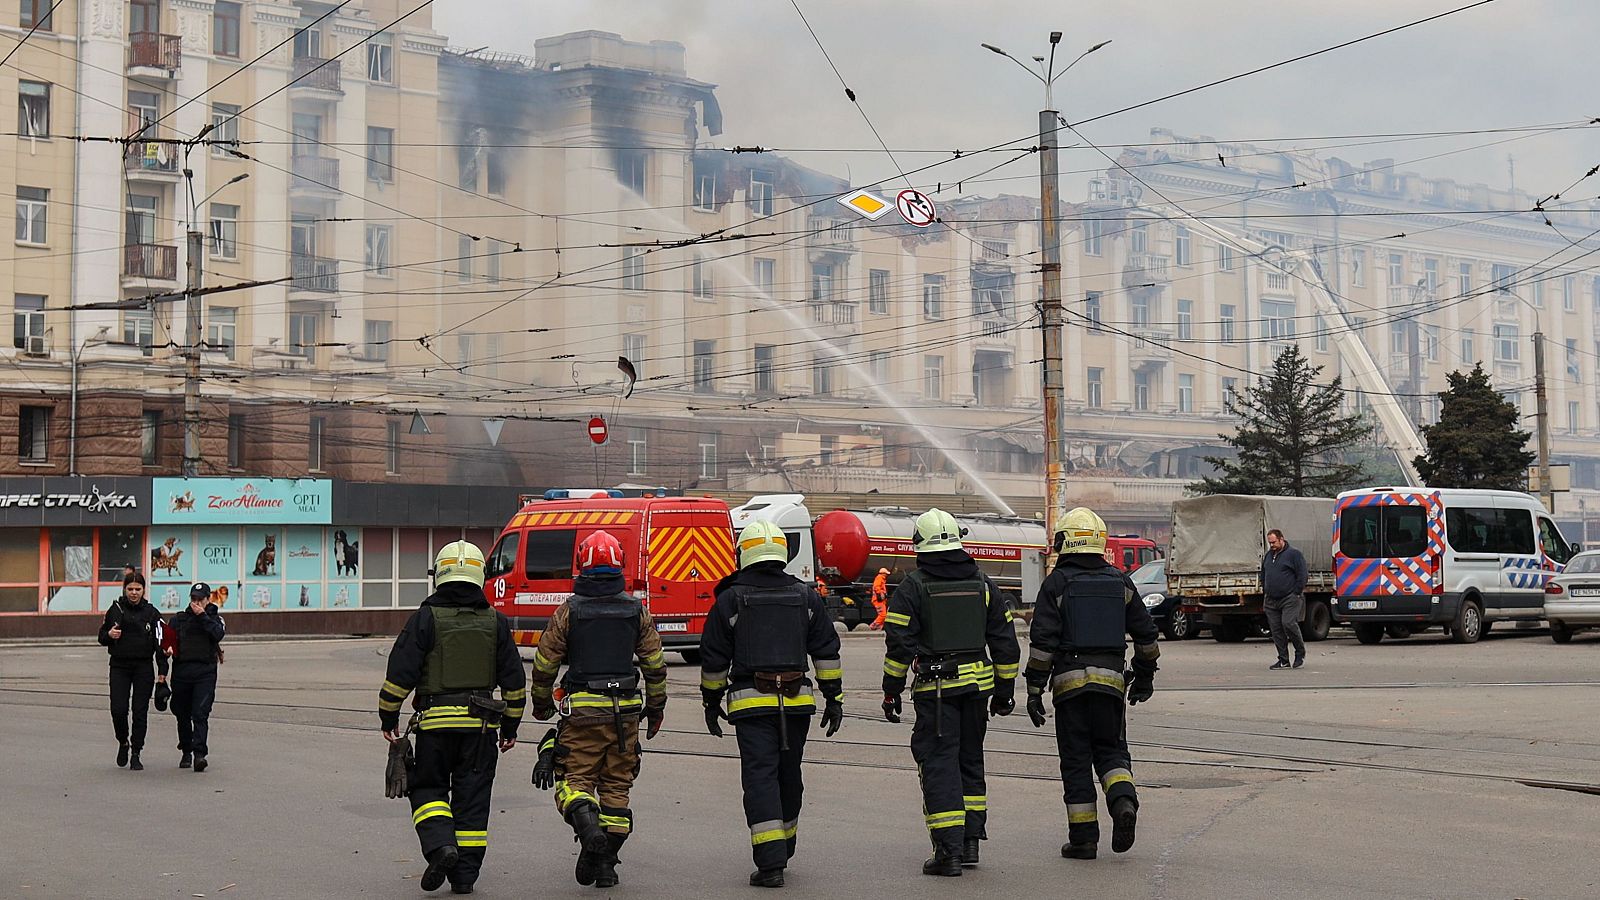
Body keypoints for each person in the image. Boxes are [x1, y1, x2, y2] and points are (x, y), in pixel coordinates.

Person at [700, 521, 844, 888]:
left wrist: (711, 702)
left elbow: (714, 659)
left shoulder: (730, 599)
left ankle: (770, 863)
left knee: (760, 778)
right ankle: (785, 844)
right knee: (789, 774)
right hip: (797, 704)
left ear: (743, 554)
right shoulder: (806, 596)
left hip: (751, 707)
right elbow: (826, 652)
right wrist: (834, 698)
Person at [378, 541, 525, 896]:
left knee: (427, 789)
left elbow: (400, 673)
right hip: (481, 731)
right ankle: (464, 877)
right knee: (472, 800)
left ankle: (441, 845)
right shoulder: (496, 622)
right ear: (480, 576)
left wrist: (388, 716)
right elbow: (514, 683)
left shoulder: (425, 619)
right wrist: (510, 727)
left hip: (434, 728)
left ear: (439, 575)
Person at [881, 508, 1020, 877]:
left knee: (939, 765)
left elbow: (898, 646)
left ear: (920, 546)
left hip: (937, 692)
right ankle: (970, 842)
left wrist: (891, 691)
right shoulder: (984, 584)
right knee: (970, 761)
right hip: (977, 691)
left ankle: (949, 852)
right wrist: (1004, 692)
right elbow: (1005, 643)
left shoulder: (912, 587)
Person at [528, 530, 667, 889]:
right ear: (620, 564)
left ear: (581, 565)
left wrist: (541, 704)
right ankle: (605, 866)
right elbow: (655, 665)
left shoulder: (569, 611)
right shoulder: (637, 610)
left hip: (583, 714)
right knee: (617, 786)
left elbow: (545, 663)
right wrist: (656, 709)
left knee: (572, 782)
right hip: (626, 714)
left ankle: (590, 832)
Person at [1025, 507, 1160, 860]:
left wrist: (1034, 689)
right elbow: (1146, 635)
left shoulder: (1056, 583)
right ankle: (1123, 802)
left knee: (1076, 761)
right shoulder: (1121, 582)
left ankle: (1084, 840)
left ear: (1066, 542)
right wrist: (1144, 677)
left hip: (1070, 690)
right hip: (1111, 687)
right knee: (1111, 752)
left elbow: (1042, 643)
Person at [97, 572, 167, 771]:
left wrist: (162, 671)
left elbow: (160, 644)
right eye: (130, 589)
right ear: (124, 590)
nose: (134, 593)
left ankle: (136, 752)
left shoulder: (152, 613)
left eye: (138, 589)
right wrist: (109, 635)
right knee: (118, 710)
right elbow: (101, 636)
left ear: (144, 590)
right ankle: (123, 741)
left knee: (140, 711)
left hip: (143, 667)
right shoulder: (115, 610)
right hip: (119, 666)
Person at [164, 583, 226, 773]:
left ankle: (200, 754)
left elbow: (218, 634)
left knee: (200, 713)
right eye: (194, 599)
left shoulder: (214, 619)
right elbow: (166, 642)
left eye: (201, 599)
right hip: (182, 672)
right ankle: (186, 750)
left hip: (205, 673)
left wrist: (203, 616)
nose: (197, 603)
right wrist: (167, 650)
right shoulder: (178, 620)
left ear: (208, 599)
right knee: (182, 713)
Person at [1261, 528, 1309, 670]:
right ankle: (1283, 660)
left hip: (1289, 597)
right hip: (1271, 599)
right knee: (1276, 630)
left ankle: (1300, 653)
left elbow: (1302, 575)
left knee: (1288, 623)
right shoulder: (1268, 556)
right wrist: (1265, 589)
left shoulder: (1294, 554)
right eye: (1270, 543)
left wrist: (1296, 592)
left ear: (1281, 539)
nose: (1272, 545)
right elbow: (1264, 574)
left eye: (1274, 542)